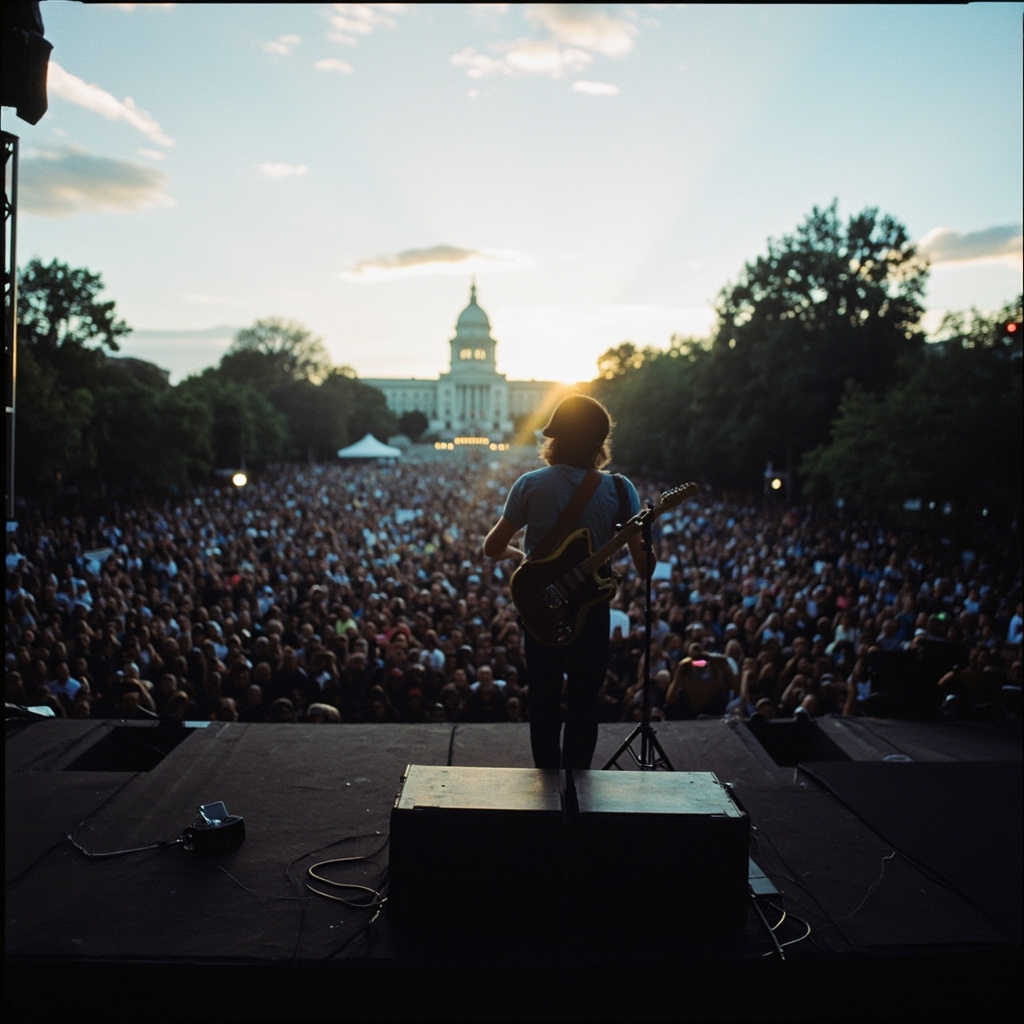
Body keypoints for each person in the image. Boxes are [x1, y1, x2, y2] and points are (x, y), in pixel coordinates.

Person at [483, 394, 651, 770]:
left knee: (542, 699)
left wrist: (521, 558)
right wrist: (647, 534)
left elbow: (492, 547)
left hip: (541, 608)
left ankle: (546, 783)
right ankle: (578, 786)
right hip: (592, 611)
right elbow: (645, 570)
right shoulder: (621, 490)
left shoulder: (529, 484)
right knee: (584, 701)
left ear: (553, 440)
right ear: (599, 445)